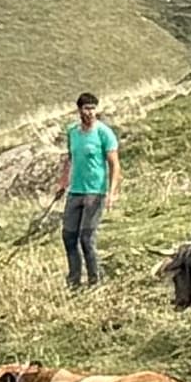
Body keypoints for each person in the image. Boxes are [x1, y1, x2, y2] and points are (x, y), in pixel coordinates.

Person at [57, 91, 118, 288]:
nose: (90, 112)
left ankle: (95, 280)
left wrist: (111, 193)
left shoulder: (104, 133)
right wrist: (63, 182)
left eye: (93, 108)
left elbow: (114, 165)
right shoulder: (72, 132)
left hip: (95, 192)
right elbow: (70, 158)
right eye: (86, 108)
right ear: (79, 110)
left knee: (86, 238)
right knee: (68, 236)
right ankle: (74, 280)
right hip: (75, 191)